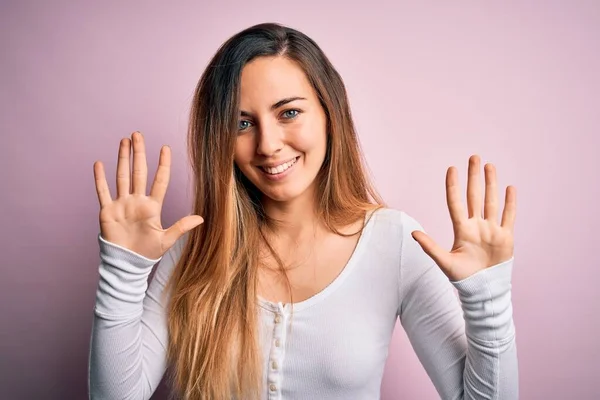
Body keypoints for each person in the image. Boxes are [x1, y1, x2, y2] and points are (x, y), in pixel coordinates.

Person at [88, 22, 518, 400]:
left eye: (289, 112)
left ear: (330, 114)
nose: (268, 144)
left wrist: (488, 301)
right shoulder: (194, 250)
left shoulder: (393, 242)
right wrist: (123, 270)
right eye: (242, 123)